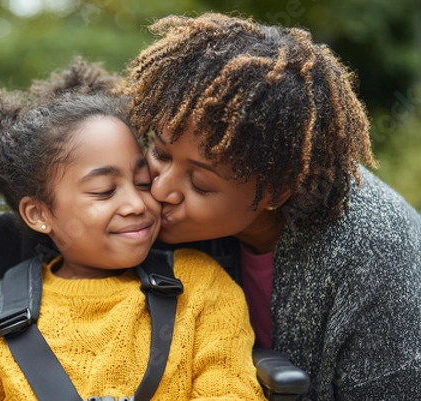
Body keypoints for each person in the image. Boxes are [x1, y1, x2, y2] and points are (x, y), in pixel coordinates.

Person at [120, 12, 421, 401]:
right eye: (160, 153)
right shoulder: (153, 212)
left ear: (277, 192)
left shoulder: (377, 253)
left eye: (199, 183)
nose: (161, 189)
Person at [0, 58, 266, 401]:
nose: (137, 204)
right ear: (39, 213)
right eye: (104, 190)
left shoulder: (201, 286)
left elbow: (229, 390)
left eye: (143, 181)